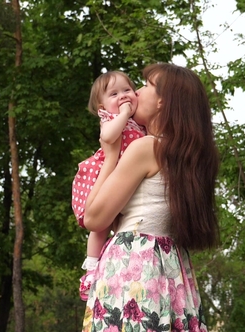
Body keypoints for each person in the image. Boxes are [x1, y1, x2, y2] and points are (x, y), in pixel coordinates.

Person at [81, 63, 220, 332]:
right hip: (173, 265)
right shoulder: (190, 157)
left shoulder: (146, 148)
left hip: (135, 262)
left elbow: (94, 218)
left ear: (162, 102)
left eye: (145, 86)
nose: (136, 93)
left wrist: (110, 155)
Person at [71, 71, 146, 301]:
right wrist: (123, 113)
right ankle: (91, 269)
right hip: (105, 175)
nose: (122, 96)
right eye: (114, 94)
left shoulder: (139, 123)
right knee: (99, 226)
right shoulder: (110, 119)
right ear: (101, 105)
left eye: (127, 90)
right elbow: (109, 136)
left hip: (125, 178)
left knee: (119, 224)